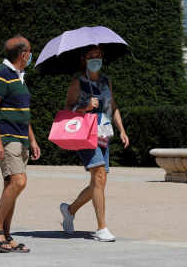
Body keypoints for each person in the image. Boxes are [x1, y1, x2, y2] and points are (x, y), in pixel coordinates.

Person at [60, 45, 129, 242]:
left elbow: (113, 106)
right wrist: (85, 107)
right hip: (85, 132)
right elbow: (67, 108)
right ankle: (101, 228)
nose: (95, 58)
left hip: (104, 132)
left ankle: (70, 210)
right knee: (99, 177)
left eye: (98, 55)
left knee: (100, 181)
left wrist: (122, 130)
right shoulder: (78, 81)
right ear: (84, 58)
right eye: (91, 56)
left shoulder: (106, 80)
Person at [0, 35, 40, 253]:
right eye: (30, 51)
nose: (31, 55)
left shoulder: (20, 76)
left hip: (21, 139)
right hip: (8, 139)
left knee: (11, 186)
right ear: (21, 54)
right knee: (19, 182)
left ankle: (5, 235)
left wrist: (33, 140)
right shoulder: (1, 73)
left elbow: (23, 113)